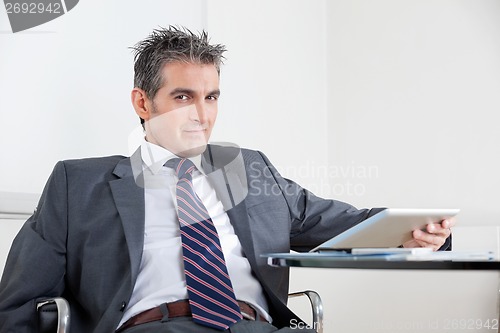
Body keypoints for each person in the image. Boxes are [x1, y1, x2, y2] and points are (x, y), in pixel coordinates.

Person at [0, 26, 454, 333]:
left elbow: (347, 225)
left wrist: (421, 232)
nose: (202, 114)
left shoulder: (247, 168)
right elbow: (19, 303)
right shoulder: (78, 183)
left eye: (211, 97)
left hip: (254, 326)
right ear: (143, 103)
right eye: (183, 97)